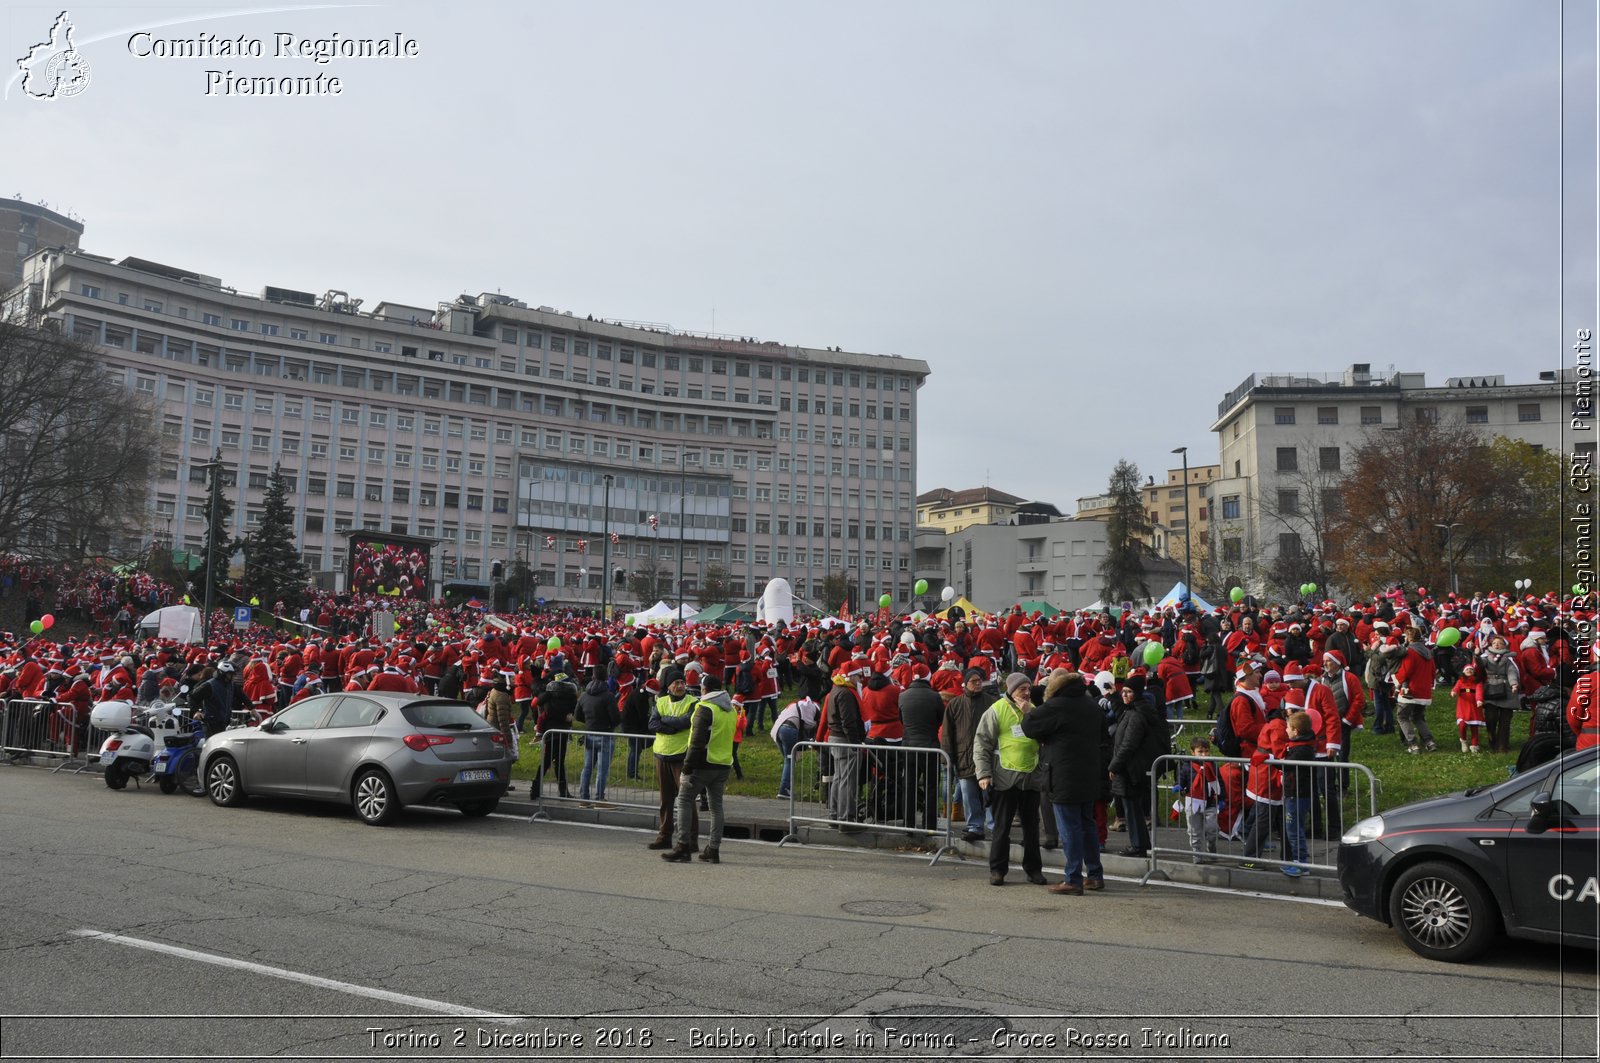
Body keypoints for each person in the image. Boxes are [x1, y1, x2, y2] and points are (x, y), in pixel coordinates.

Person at [1021, 669, 1109, 894]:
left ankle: (1072, 878)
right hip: (1088, 772)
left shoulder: (1056, 706)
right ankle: (1095, 875)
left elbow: (1030, 728)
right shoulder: (1091, 705)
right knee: (1087, 825)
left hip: (1064, 775)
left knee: (1069, 827)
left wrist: (1027, 711)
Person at [972, 672, 1046, 887]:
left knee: (1031, 828)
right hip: (1005, 777)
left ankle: (1033, 870)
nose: (1026, 692)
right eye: (1022, 689)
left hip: (1031, 776)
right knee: (1002, 828)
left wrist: (1029, 714)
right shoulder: (996, 710)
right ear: (1011, 690)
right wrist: (984, 774)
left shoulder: (1033, 710)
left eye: (1028, 689)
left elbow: (1044, 738)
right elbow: (982, 743)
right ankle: (997, 870)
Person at [660, 675, 737, 864]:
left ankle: (683, 846)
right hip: (723, 763)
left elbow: (696, 742)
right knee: (716, 807)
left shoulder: (705, 709)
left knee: (685, 800)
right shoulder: (731, 710)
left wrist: (686, 769)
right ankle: (713, 848)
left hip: (703, 764)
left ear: (705, 689)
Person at [1106, 683, 1166, 858]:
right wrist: (1114, 697)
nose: (1125, 695)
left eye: (1129, 692)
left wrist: (1114, 765)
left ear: (1137, 694)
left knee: (1131, 808)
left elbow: (1129, 744)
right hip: (1134, 767)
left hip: (1131, 768)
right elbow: (1121, 717)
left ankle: (1138, 845)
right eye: (1123, 691)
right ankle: (1140, 843)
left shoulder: (1137, 715)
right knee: (1133, 807)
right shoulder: (1134, 710)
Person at [646, 669, 696, 849]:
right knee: (666, 799)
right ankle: (664, 836)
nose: (681, 686)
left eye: (682, 682)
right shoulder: (660, 702)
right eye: (676, 683)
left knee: (686, 799)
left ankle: (690, 840)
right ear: (668, 686)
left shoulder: (692, 702)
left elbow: (687, 722)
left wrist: (665, 721)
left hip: (682, 756)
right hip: (662, 754)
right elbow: (652, 724)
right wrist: (671, 728)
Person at [942, 668, 992, 842]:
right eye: (974, 681)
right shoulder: (955, 704)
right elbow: (947, 734)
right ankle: (974, 826)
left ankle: (994, 826)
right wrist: (947, 757)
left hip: (987, 757)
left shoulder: (992, 703)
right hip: (963, 756)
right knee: (969, 794)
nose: (978, 684)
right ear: (966, 683)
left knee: (989, 794)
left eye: (980, 681)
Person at [897, 668, 944, 833]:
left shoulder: (903, 696)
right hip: (930, 746)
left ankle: (908, 824)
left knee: (909, 786)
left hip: (909, 746)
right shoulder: (934, 696)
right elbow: (940, 718)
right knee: (931, 787)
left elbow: (901, 718)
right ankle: (929, 824)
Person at [824, 662, 868, 830]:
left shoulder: (837, 689)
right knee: (847, 781)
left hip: (836, 738)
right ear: (851, 676)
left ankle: (835, 816)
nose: (860, 680)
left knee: (839, 778)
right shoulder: (846, 693)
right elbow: (848, 721)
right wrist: (856, 742)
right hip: (844, 740)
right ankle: (846, 819)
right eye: (858, 676)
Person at [1278, 710, 1318, 877]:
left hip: (1297, 793)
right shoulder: (1301, 746)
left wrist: (1272, 761)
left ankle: (1301, 863)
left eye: (1288, 727)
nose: (1286, 730)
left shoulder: (1301, 749)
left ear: (1296, 731)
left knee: (1294, 830)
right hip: (1296, 792)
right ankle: (1298, 861)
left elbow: (1287, 766)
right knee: (1294, 828)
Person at [1176, 735, 1221, 864]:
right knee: (1194, 831)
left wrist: (1222, 799)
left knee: (1212, 830)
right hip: (1193, 803)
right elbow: (1181, 778)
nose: (1203, 754)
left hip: (1210, 803)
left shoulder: (1213, 765)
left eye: (1206, 751)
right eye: (1200, 752)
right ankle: (1197, 854)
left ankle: (1211, 848)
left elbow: (1220, 783)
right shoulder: (1187, 766)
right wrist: (1178, 785)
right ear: (1192, 752)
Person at [1393, 627, 1438, 754]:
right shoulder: (1428, 652)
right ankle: (1429, 742)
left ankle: (1413, 744)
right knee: (1418, 717)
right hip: (1424, 690)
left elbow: (1406, 671)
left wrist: (1396, 679)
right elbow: (1433, 671)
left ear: (1408, 637)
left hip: (1411, 690)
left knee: (1402, 716)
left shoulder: (1411, 651)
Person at [576, 676, 620, 803]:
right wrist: (609, 725)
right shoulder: (608, 696)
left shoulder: (584, 695)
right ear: (605, 679)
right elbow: (615, 718)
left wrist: (589, 722)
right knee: (602, 769)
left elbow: (577, 715)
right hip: (605, 733)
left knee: (587, 767)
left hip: (589, 733)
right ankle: (599, 797)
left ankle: (584, 798)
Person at [535, 671, 578, 798]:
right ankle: (562, 791)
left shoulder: (548, 696)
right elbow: (570, 714)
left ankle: (535, 789)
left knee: (547, 762)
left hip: (550, 733)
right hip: (560, 733)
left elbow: (538, 703)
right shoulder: (570, 698)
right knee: (558, 762)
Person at [1477, 635, 1521, 754]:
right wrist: (1476, 655)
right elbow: (1479, 665)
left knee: (1505, 720)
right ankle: (1492, 738)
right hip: (1491, 690)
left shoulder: (1508, 659)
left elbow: (1512, 672)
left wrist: (1514, 684)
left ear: (1504, 645)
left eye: (1500, 643)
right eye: (1494, 643)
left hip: (1506, 691)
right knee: (1491, 717)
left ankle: (1502, 745)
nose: (1497, 645)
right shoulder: (1486, 657)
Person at [771, 694, 820, 799]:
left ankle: (786, 788)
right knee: (790, 761)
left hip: (777, 730)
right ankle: (785, 789)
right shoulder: (811, 707)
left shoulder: (797, 705)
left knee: (787, 760)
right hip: (788, 729)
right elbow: (810, 724)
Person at [1452, 663, 1485, 754]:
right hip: (1463, 707)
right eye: (1467, 670)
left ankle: (1474, 745)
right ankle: (1463, 740)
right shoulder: (1460, 681)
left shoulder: (1477, 683)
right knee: (1462, 725)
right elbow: (1456, 688)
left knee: (1474, 727)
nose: (1469, 671)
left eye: (1471, 670)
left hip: (1474, 708)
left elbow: (1479, 691)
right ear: (1464, 672)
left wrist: (1479, 700)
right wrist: (1454, 692)